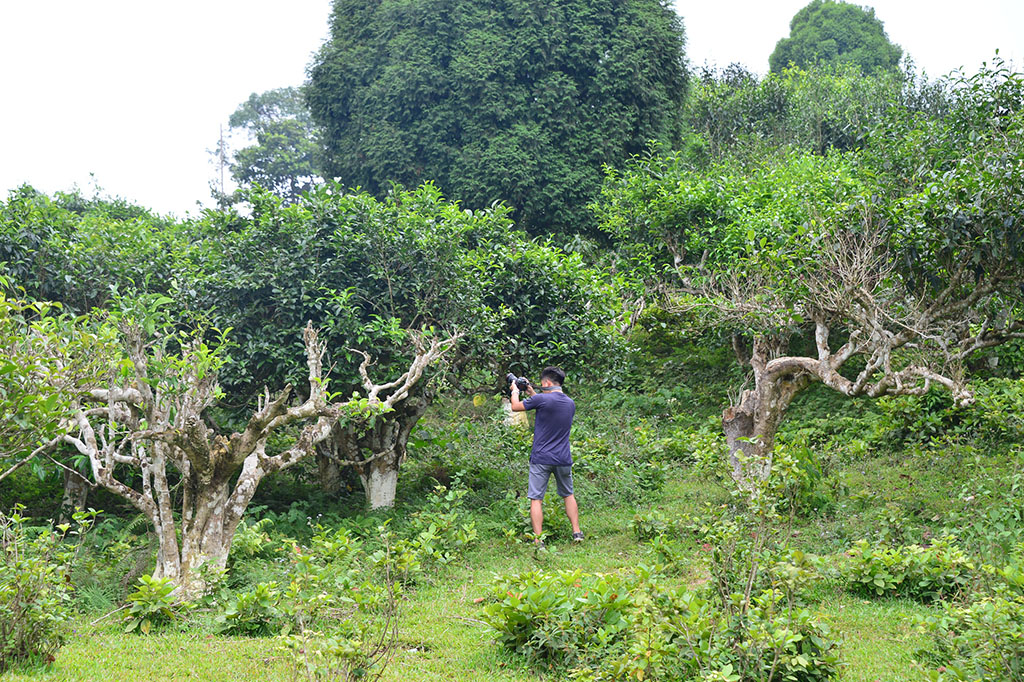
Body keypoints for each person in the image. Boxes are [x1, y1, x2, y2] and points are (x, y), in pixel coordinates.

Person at [510, 366, 583, 549]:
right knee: (568, 494)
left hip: (541, 458)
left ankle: (538, 540)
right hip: (563, 458)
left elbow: (515, 406)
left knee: (536, 499)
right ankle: (577, 532)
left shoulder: (541, 399)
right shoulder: (570, 403)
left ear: (547, 383)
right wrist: (531, 391)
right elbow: (545, 403)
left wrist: (515, 391)